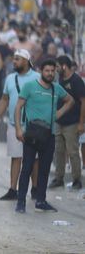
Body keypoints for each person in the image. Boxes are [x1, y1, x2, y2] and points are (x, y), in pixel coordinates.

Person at [14, 58, 73, 213]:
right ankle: (20, 202)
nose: (50, 73)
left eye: (52, 71)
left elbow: (70, 101)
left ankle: (41, 200)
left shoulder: (56, 88)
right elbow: (18, 107)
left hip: (49, 135)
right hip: (31, 134)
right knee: (26, 168)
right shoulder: (29, 86)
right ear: (41, 71)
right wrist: (19, 129)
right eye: (47, 70)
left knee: (45, 169)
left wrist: (57, 114)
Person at [0, 49, 40, 201]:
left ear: (26, 61)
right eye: (14, 59)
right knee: (16, 157)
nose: (14, 62)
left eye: (17, 59)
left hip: (33, 125)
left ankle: (35, 188)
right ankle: (13, 189)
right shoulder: (10, 78)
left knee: (34, 159)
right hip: (14, 124)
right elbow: (5, 99)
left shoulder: (38, 77)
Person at [50, 55, 85, 189]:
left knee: (73, 152)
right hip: (59, 122)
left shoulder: (76, 81)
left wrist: (81, 123)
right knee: (58, 151)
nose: (56, 69)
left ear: (64, 66)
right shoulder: (59, 80)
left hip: (72, 123)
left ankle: (77, 180)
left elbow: (83, 102)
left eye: (58, 66)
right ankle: (59, 178)